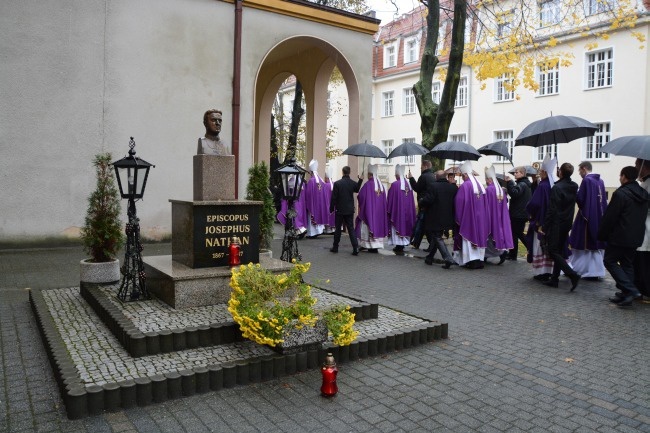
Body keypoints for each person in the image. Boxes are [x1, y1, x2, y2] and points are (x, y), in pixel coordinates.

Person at [598, 166, 650, 307]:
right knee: (627, 264)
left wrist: (602, 234)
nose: (619, 178)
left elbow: (611, 217)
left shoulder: (621, 194)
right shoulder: (643, 194)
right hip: (636, 236)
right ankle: (627, 295)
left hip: (620, 236)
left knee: (610, 261)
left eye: (620, 176)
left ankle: (631, 290)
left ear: (624, 176)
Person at [541, 162, 580, 290]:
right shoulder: (574, 185)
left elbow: (552, 209)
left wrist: (545, 226)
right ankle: (554, 278)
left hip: (556, 223)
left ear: (561, 173)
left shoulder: (557, 188)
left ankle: (572, 274)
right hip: (567, 222)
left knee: (553, 250)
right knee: (558, 250)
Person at [568, 161, 608, 280]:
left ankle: (583, 269)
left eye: (579, 170)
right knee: (595, 245)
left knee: (584, 243)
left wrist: (575, 193)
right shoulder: (600, 181)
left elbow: (581, 199)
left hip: (586, 217)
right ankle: (595, 271)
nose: (579, 173)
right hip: (598, 216)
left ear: (584, 169)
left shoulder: (587, 180)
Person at [453, 161, 489, 269]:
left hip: (469, 219)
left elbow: (459, 202)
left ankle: (471, 261)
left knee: (468, 238)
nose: (462, 178)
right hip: (481, 218)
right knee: (479, 236)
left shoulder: (465, 186)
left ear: (465, 175)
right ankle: (480, 261)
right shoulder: (480, 185)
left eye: (462, 176)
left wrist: (458, 218)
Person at [526, 155, 556, 281]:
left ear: (544, 172)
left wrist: (528, 209)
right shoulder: (553, 185)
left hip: (540, 221)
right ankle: (549, 271)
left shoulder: (543, 186)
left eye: (541, 172)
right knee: (548, 246)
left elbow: (534, 204)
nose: (539, 173)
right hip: (551, 221)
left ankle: (541, 272)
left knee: (540, 246)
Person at [420, 170, 457, 268]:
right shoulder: (452, 187)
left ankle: (448, 258)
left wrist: (421, 200)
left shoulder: (433, 186)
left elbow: (428, 200)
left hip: (435, 217)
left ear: (437, 177)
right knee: (437, 237)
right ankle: (430, 258)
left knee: (437, 237)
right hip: (447, 217)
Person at [329, 166, 363, 255]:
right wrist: (360, 180)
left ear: (342, 172)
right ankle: (355, 248)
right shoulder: (352, 183)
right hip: (349, 209)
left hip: (339, 209)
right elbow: (357, 189)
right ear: (349, 172)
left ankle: (335, 247)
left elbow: (334, 198)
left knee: (338, 229)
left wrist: (331, 208)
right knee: (351, 228)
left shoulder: (337, 184)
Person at [355, 164, 389, 253]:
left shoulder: (368, 185)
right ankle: (376, 245)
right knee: (377, 226)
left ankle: (367, 245)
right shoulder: (381, 186)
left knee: (366, 227)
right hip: (379, 213)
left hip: (369, 212)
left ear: (370, 174)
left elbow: (361, 196)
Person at [484, 166, 514, 264]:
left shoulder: (489, 189)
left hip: (492, 216)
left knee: (489, 236)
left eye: (486, 179)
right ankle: (502, 252)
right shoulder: (501, 190)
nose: (486, 181)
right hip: (501, 217)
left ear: (489, 179)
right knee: (498, 235)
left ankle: (488, 255)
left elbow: (486, 204)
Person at [504, 166, 532, 261]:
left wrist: (510, 182)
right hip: (521, 213)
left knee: (516, 233)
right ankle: (513, 254)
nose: (515, 174)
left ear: (523, 174)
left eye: (517, 172)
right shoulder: (525, 184)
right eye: (515, 172)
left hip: (518, 214)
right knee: (516, 233)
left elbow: (515, 193)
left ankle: (529, 249)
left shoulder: (522, 184)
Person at [387, 165, 417, 253]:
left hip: (398, 212)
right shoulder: (409, 185)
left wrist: (389, 208)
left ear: (397, 175)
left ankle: (399, 245)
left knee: (397, 226)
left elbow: (390, 198)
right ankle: (402, 245)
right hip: (407, 212)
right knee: (405, 226)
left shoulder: (395, 184)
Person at [408, 160, 435, 249]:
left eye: (422, 166)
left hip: (423, 203)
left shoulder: (423, 177)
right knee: (423, 225)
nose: (421, 168)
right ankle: (416, 243)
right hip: (430, 205)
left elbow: (416, 188)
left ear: (426, 166)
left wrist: (411, 178)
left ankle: (430, 245)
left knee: (421, 225)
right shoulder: (433, 176)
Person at [634, 158, 650, 299]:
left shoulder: (648, 183)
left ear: (644, 167)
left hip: (647, 227)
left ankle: (645, 290)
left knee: (644, 260)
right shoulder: (644, 182)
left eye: (637, 165)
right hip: (642, 226)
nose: (636, 168)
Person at [303, 159, 329, 238]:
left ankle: (312, 233)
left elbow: (308, 194)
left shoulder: (311, 181)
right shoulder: (320, 180)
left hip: (313, 203)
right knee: (319, 215)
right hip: (320, 203)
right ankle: (319, 231)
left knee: (312, 217)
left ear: (311, 172)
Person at [323, 166, 336, 234]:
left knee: (328, 215)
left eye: (325, 178)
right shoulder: (335, 184)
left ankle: (328, 229)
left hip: (327, 203)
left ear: (327, 178)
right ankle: (333, 229)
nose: (324, 179)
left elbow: (323, 195)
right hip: (335, 204)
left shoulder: (325, 185)